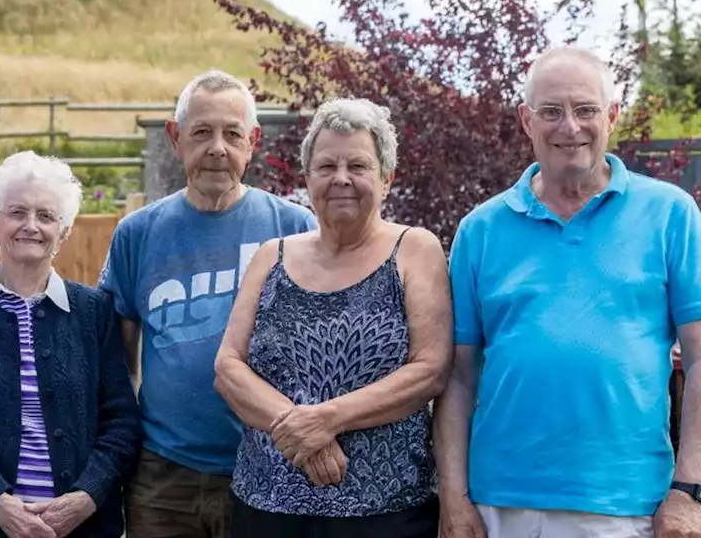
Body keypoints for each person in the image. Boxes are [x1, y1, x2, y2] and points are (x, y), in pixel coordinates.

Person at [436, 46, 701, 538]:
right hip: (499, 504)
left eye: (585, 110)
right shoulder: (481, 229)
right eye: (551, 112)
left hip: (625, 504)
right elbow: (458, 376)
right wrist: (453, 496)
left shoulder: (671, 215)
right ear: (525, 120)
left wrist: (689, 491)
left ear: (613, 117)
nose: (569, 127)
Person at [215, 97, 451, 537]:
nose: (341, 178)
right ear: (308, 179)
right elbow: (228, 368)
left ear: (387, 179)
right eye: (326, 167)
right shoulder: (272, 256)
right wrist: (301, 428)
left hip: (385, 515)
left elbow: (430, 370)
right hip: (266, 509)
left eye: (358, 166)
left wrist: (328, 418)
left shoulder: (415, 250)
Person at [98, 69, 318, 537]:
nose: (217, 147)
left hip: (269, 465)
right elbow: (117, 361)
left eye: (232, 133)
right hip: (163, 474)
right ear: (176, 138)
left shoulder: (296, 228)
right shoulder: (136, 234)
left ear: (252, 141)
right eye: (201, 132)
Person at [0, 151, 142, 538]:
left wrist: (86, 497)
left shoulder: (94, 312)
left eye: (46, 215)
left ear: (65, 230)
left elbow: (122, 421)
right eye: (17, 212)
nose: (31, 226)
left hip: (81, 526)